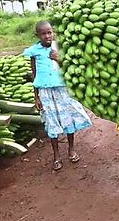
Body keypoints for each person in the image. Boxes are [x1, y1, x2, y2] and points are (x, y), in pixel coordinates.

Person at [23, 21, 92, 171]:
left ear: (53, 32)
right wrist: (36, 97)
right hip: (45, 92)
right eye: (43, 33)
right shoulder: (34, 52)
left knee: (68, 119)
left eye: (49, 32)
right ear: (37, 35)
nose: (47, 36)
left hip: (62, 90)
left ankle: (71, 149)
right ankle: (56, 155)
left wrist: (59, 58)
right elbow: (34, 75)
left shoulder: (59, 48)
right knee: (51, 122)